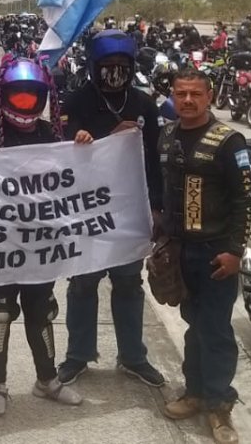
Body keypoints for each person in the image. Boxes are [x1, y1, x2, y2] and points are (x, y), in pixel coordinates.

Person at [57, 30, 165, 388]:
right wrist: (91, 140)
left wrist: (158, 208)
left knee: (129, 284)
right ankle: (77, 356)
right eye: (108, 66)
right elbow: (58, 154)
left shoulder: (144, 104)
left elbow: (155, 160)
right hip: (87, 210)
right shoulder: (76, 101)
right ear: (93, 66)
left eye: (122, 66)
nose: (114, 72)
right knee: (83, 283)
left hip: (130, 210)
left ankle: (133, 357)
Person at [0, 56, 84, 417]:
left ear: (44, 98)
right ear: (4, 95)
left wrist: (84, 146)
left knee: (41, 312)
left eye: (32, 95)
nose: (25, 102)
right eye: (18, 95)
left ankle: (47, 380)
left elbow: (76, 180)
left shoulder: (52, 135)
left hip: (42, 246)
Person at [157, 68, 251, 444]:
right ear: (174, 95)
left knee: (215, 331)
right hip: (180, 252)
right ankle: (194, 393)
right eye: (181, 94)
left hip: (216, 255)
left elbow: (245, 201)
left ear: (209, 96)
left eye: (196, 94)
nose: (188, 101)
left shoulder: (229, 141)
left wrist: (234, 251)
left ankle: (220, 407)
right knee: (194, 326)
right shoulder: (165, 136)